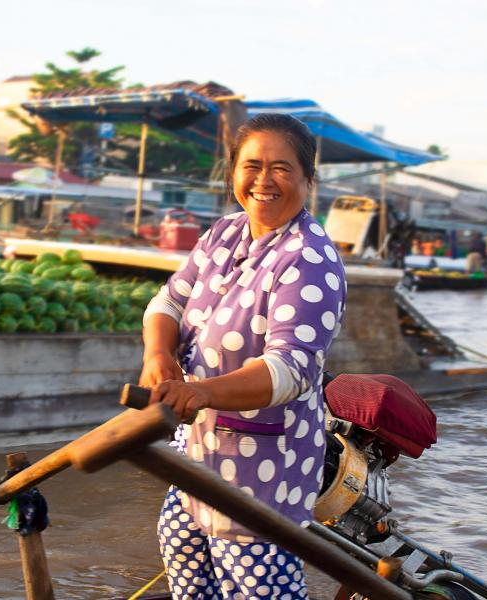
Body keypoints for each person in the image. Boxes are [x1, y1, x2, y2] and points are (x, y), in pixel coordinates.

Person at [140, 113, 347, 599]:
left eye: (281, 168)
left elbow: (290, 369)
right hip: (196, 448)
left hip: (262, 466)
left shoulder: (310, 258)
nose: (263, 180)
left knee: (254, 582)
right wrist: (158, 353)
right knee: (183, 550)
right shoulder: (224, 233)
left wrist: (200, 391)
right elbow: (168, 301)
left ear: (308, 179)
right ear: (233, 172)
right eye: (251, 165)